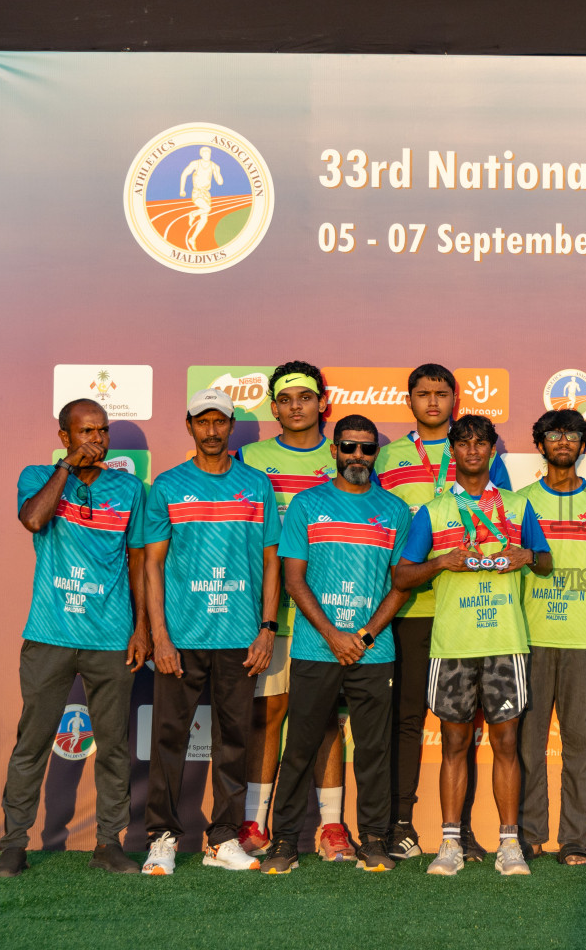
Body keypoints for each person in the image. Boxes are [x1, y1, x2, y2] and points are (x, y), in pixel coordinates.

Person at [0, 399, 150, 878]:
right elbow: (34, 520)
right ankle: (14, 844)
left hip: (110, 637)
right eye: (85, 433)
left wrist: (141, 627)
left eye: (102, 432)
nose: (96, 441)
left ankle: (108, 842)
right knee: (32, 742)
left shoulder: (129, 489)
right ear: (65, 436)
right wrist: (65, 469)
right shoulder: (38, 475)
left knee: (115, 745)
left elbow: (140, 560)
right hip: (50, 633)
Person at [394, 415, 553, 877]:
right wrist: (443, 561)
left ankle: (509, 844)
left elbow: (543, 563)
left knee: (506, 743)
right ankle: (448, 843)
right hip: (453, 644)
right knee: (454, 743)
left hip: (505, 640)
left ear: (491, 450)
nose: (471, 451)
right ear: (453, 451)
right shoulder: (434, 510)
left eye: (480, 443)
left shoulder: (518, 505)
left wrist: (527, 555)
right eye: (462, 443)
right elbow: (402, 575)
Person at [261, 415, 411, 874]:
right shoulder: (307, 505)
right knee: (301, 746)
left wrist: (362, 636)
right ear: (335, 450)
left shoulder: (395, 510)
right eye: (350, 447)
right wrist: (333, 635)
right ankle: (284, 841)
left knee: (373, 751)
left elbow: (401, 585)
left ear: (376, 454)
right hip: (315, 647)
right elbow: (293, 579)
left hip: (373, 651)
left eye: (367, 449)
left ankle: (376, 840)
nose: (358, 457)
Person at [141, 389, 281, 875]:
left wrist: (266, 629)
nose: (213, 431)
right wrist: (160, 634)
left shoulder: (256, 485)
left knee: (234, 741)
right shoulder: (167, 485)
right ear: (189, 426)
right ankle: (160, 836)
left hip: (240, 637)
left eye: (220, 421)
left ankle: (222, 838)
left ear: (231, 425)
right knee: (169, 739)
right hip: (181, 638)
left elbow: (270, 561)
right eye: (203, 422)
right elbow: (153, 565)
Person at [375, 364, 511, 861]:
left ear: (455, 398)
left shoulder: (476, 450)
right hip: (410, 606)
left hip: (470, 609)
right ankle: (402, 823)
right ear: (408, 399)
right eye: (423, 394)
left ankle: (462, 830)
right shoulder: (387, 455)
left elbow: (502, 520)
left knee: (468, 724)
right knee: (408, 718)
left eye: (441, 394)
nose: (432, 402)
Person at [235, 362, 352, 861]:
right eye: (287, 398)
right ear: (273, 406)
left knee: (325, 717)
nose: (297, 406)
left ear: (322, 403)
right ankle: (254, 823)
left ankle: (331, 827)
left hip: (328, 611)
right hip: (268, 610)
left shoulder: (343, 453)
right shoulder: (251, 457)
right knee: (269, 714)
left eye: (307, 397)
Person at [516, 409, 586, 865]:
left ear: (583, 444)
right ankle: (531, 834)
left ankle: (574, 838)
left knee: (581, 743)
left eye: (571, 434)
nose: (562, 441)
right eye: (553, 434)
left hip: (581, 642)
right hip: (530, 638)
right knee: (528, 742)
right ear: (540, 444)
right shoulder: (520, 503)